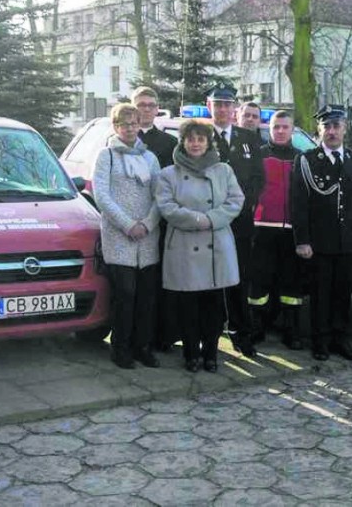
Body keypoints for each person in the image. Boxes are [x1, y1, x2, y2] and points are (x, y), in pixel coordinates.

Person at [291, 104, 352, 362]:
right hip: (319, 242)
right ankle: (321, 341)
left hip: (349, 241)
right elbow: (298, 204)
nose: (331, 131)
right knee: (321, 294)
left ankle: (341, 339)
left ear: (344, 128)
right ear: (319, 130)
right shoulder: (306, 161)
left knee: (343, 293)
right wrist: (302, 240)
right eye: (326, 126)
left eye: (336, 126)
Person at [156, 120, 244, 372]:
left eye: (200, 139)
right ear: (182, 142)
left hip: (216, 245)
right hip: (184, 246)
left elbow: (236, 200)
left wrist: (211, 219)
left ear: (208, 142)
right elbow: (166, 207)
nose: (195, 144)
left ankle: (211, 353)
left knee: (214, 305)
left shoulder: (224, 170)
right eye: (190, 139)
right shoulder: (167, 174)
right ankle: (191, 353)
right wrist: (196, 220)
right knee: (188, 306)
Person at [93, 103, 161, 369]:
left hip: (147, 237)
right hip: (119, 238)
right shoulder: (106, 156)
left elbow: (160, 196)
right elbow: (102, 195)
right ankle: (120, 347)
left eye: (134, 123)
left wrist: (147, 224)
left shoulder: (150, 158)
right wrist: (127, 225)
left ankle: (142, 346)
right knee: (125, 294)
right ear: (116, 126)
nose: (130, 128)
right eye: (124, 124)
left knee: (146, 297)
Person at [206, 84, 265, 357]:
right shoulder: (201, 136)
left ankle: (242, 334)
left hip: (240, 223)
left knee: (239, 279)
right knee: (210, 281)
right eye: (217, 104)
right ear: (210, 107)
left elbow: (257, 179)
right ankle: (211, 335)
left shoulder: (248, 138)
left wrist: (241, 205)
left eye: (227, 105)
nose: (222, 109)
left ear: (234, 109)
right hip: (209, 223)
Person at [248, 110, 304, 349]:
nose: (280, 131)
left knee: (291, 283)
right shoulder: (257, 156)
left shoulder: (302, 158)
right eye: (276, 127)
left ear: (292, 129)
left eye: (285, 127)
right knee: (258, 282)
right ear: (268, 129)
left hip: (292, 230)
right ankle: (256, 329)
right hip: (261, 229)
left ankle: (291, 331)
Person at [131, 86, 177, 351]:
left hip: (157, 222)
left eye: (150, 105)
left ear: (157, 108)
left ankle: (159, 336)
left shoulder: (169, 143)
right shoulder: (120, 139)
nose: (146, 109)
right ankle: (130, 335)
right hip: (127, 223)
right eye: (141, 104)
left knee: (157, 282)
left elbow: (170, 186)